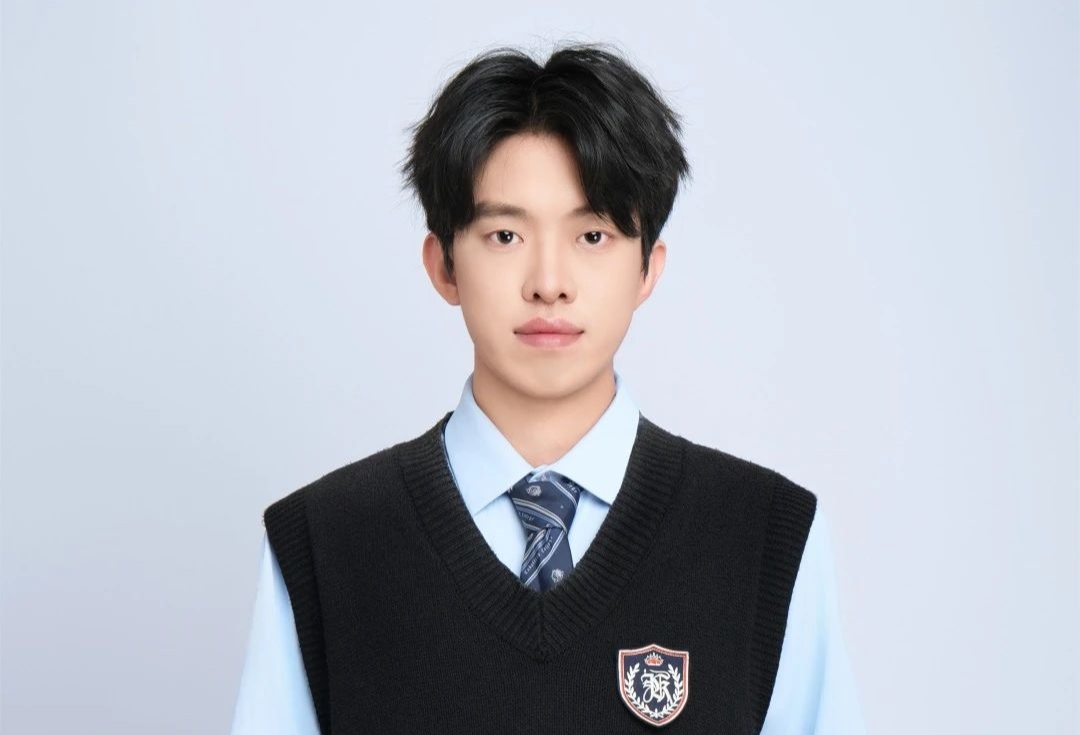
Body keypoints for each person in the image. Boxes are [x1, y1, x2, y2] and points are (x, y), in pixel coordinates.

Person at [230, 42, 866, 734]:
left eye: (592, 236)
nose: (549, 283)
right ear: (443, 265)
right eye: (505, 235)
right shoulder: (325, 544)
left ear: (648, 269)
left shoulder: (765, 537)